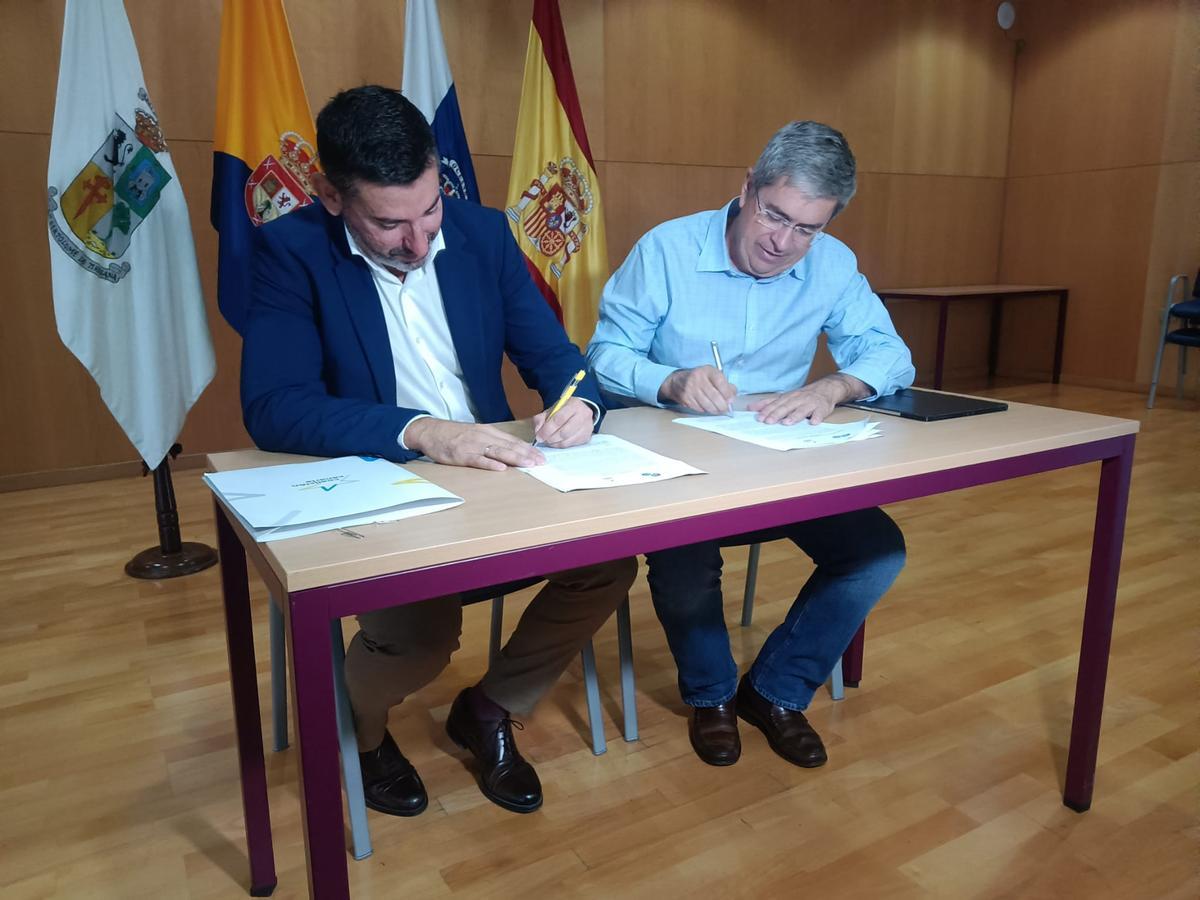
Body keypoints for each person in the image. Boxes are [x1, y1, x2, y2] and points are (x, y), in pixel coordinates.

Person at [241, 85, 636, 816]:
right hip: (386, 484)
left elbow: (558, 358)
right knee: (420, 636)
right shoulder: (289, 251)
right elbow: (273, 406)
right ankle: (359, 735)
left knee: (608, 562)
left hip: (497, 476)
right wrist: (421, 430)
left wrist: (578, 400)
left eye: (430, 212)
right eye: (390, 224)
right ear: (330, 194)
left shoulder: (483, 234)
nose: (419, 244)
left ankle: (489, 707)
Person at [587, 121, 914, 769]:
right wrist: (670, 380)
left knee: (878, 551)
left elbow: (889, 355)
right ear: (747, 189)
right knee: (684, 558)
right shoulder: (667, 251)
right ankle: (710, 696)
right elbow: (604, 357)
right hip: (676, 460)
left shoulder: (833, 264)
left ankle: (774, 691)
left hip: (776, 461)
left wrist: (833, 388)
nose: (783, 242)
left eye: (807, 229)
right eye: (775, 215)